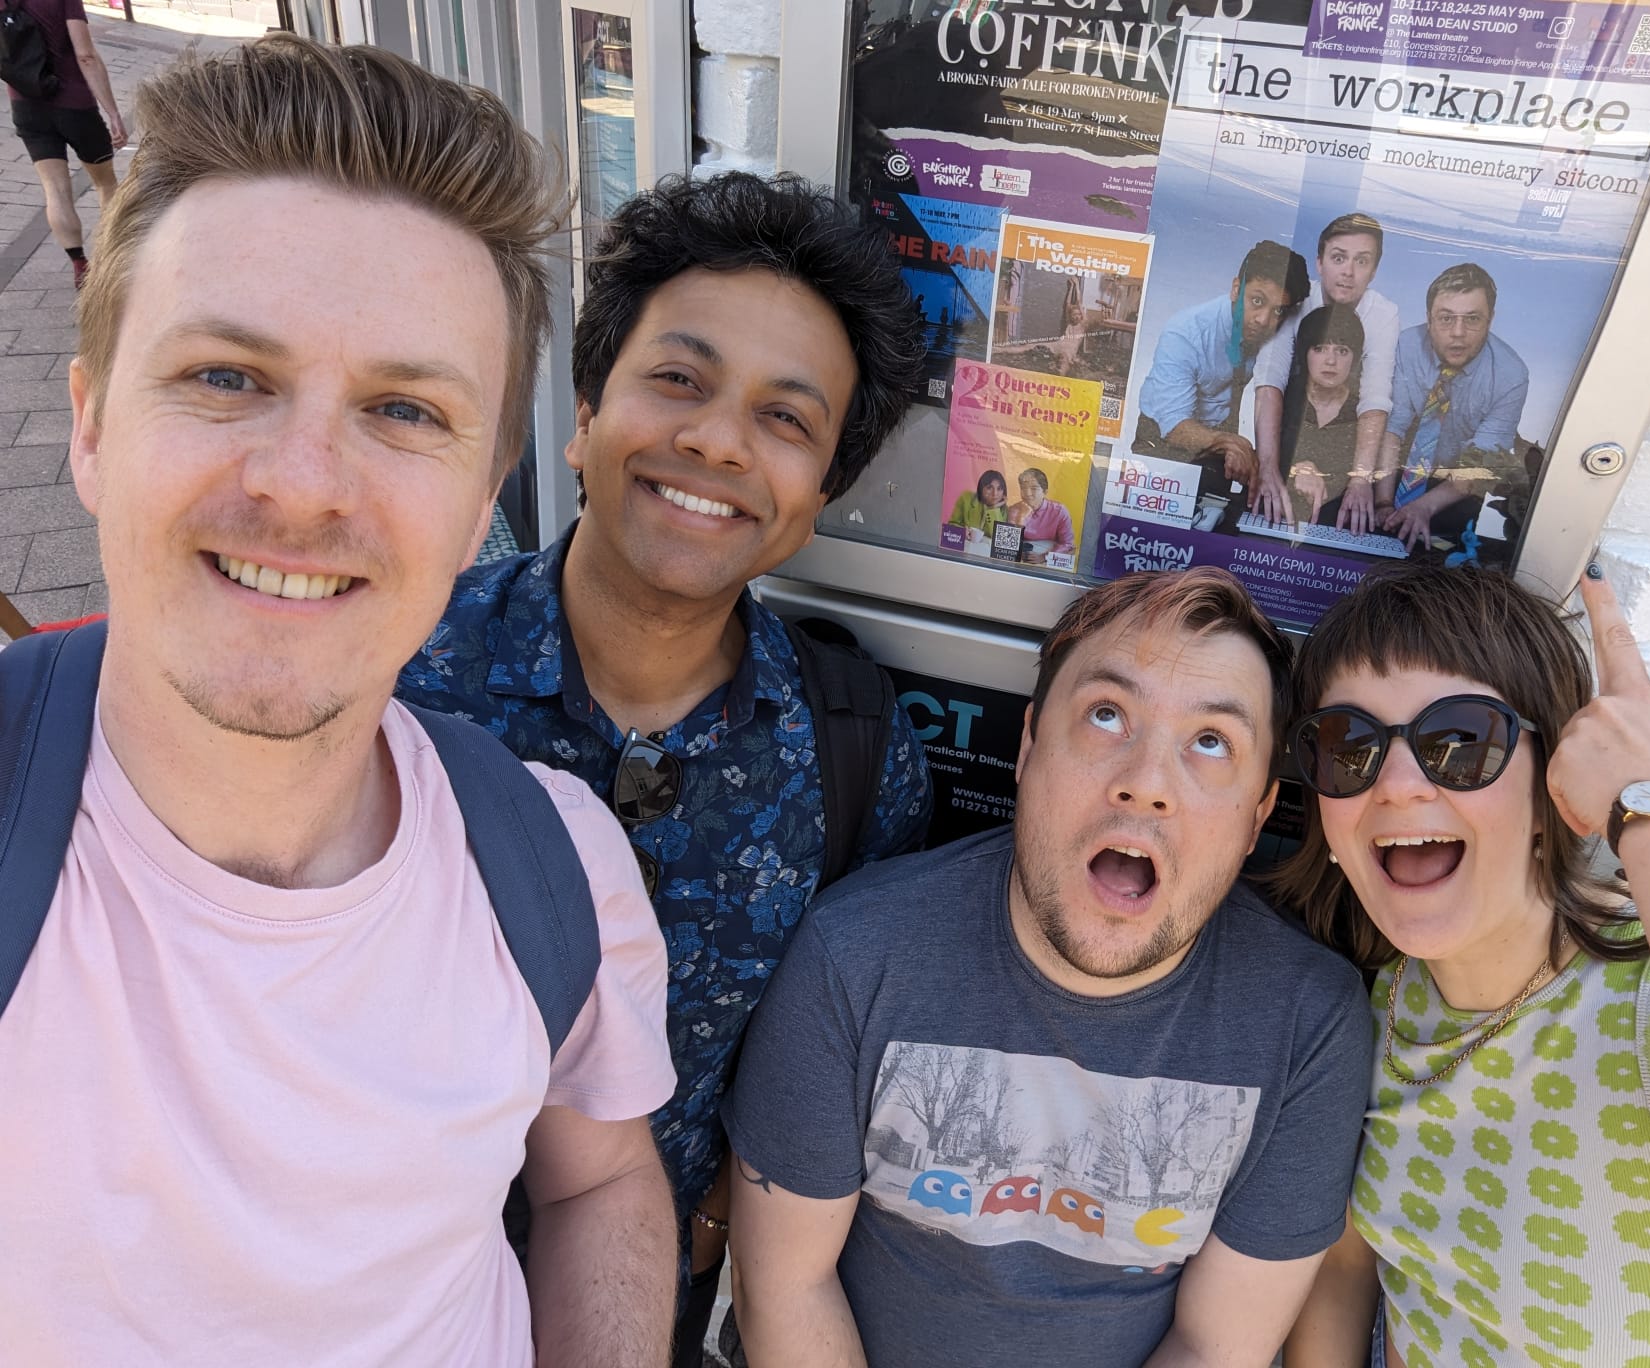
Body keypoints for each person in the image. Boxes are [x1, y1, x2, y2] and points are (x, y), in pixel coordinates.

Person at [0, 37, 678, 1367]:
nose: (305, 483)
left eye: (406, 410)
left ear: (480, 509)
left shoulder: (548, 866)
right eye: (226, 377)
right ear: (90, 428)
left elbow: (598, 1179)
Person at [396, 171, 933, 1366]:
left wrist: (720, 1220)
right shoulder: (400, 669)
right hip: (377, 1301)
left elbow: (840, 1046)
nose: (717, 440)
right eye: (680, 381)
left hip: (656, 1305)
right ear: (585, 412)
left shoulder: (853, 746)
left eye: (786, 419)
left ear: (819, 498)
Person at [724, 568, 1374, 1367]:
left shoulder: (1309, 1024)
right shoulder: (853, 953)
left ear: (1259, 816)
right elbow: (784, 1287)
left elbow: (1215, 1346)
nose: (1146, 784)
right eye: (1108, 715)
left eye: (1212, 742)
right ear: (1029, 745)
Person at [1276, 563, 1650, 1368]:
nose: (1395, 785)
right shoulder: (1375, 1001)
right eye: (1347, 747)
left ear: (1553, 787)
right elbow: (1349, 1265)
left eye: (1460, 741)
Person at [1250, 213, 1399, 532]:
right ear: (1320, 263)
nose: (1348, 272)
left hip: (1340, 440)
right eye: (1338, 258)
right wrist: (1268, 467)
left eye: (1362, 261)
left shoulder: (1384, 314)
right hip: (1290, 430)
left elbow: (1375, 397)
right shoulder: (1298, 300)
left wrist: (1361, 479)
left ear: (1374, 270)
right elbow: (1270, 379)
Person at [1134, 240, 1310, 497]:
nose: (1263, 320)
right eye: (1257, 300)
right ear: (1236, 289)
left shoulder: (1277, 333)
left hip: (1221, 439)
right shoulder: (1185, 333)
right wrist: (1229, 443)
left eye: (1278, 310)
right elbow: (1173, 425)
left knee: (1219, 508)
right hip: (1163, 436)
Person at [1374, 263, 1528, 553]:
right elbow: (1392, 428)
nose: (1458, 332)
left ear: (1491, 319)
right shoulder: (1406, 346)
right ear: (1428, 318)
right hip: (1389, 473)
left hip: (1455, 490)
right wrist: (1382, 503)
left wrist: (1423, 508)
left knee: (1441, 561)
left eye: (1472, 319)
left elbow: (1478, 464)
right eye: (1446, 318)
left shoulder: (1511, 375)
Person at [4, 0, 127, 287]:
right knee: (105, 183)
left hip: (26, 105)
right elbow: (86, 56)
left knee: (55, 190)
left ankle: (79, 264)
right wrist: (113, 112)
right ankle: (109, 257)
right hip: (75, 105)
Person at [1267, 305, 1365, 525]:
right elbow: (1260, 459)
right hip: (1273, 514)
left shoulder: (1363, 412)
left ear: (1355, 358)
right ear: (1305, 353)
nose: (1331, 361)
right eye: (1320, 348)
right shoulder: (1281, 399)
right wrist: (1296, 470)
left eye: (1342, 350)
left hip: (1339, 524)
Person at [1008, 465, 1074, 563]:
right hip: (1022, 558)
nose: (1028, 493)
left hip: (1048, 558)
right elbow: (1009, 544)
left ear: (1045, 492)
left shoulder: (1059, 511)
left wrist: (1044, 557)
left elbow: (1067, 544)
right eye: (1023, 488)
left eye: (1034, 488)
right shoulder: (1014, 510)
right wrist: (1021, 517)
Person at [949, 467, 1009, 545]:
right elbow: (951, 525)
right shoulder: (966, 498)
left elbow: (1000, 540)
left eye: (999, 489)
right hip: (965, 548)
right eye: (989, 488)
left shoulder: (1004, 510)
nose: (995, 493)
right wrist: (962, 531)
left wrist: (994, 509)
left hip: (985, 551)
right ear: (981, 488)